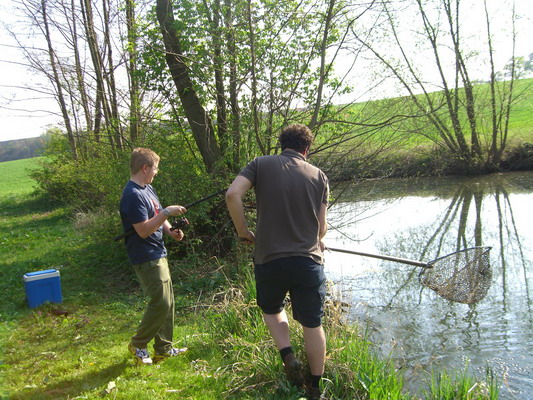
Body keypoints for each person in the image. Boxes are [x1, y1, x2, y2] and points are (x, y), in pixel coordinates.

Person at [226, 124, 329, 399]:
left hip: (269, 258)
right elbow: (321, 229)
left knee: (272, 309)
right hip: (308, 261)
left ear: (282, 144)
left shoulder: (260, 164)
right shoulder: (319, 176)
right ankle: (315, 387)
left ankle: (288, 355)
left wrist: (243, 232)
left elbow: (232, 194)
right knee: (312, 323)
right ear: (306, 149)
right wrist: (316, 237)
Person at [119, 147, 188, 366]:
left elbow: (157, 216)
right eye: (155, 168)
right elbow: (142, 230)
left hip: (158, 252)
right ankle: (138, 344)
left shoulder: (147, 189)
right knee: (161, 302)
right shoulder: (132, 195)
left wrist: (170, 230)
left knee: (169, 302)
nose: (156, 172)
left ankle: (164, 349)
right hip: (145, 256)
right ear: (145, 167)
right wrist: (167, 212)